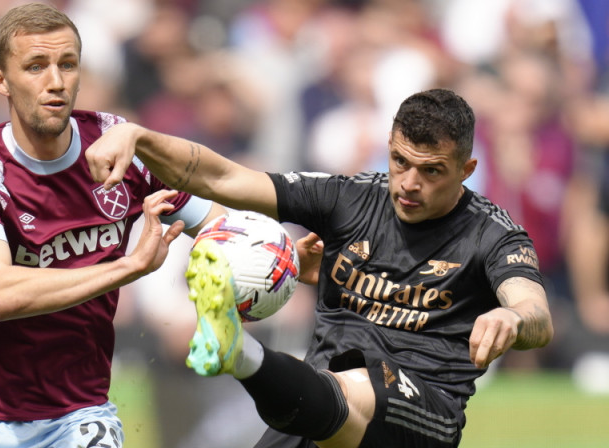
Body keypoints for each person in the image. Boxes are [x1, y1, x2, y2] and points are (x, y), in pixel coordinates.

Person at [86, 88, 554, 448]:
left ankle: (240, 353)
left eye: (431, 171)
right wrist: (139, 137)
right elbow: (225, 178)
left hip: (421, 414)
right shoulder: (350, 197)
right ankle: (249, 359)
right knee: (334, 387)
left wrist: (511, 316)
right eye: (399, 162)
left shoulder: (493, 235)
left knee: (356, 384)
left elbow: (536, 313)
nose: (409, 183)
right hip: (315, 400)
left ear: (466, 168)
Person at [0, 4, 226, 447]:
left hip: (77, 413)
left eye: (67, 64)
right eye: (35, 66)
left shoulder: (120, 147)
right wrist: (128, 268)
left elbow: (217, 223)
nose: (55, 81)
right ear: (0, 80)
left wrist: (275, 262)